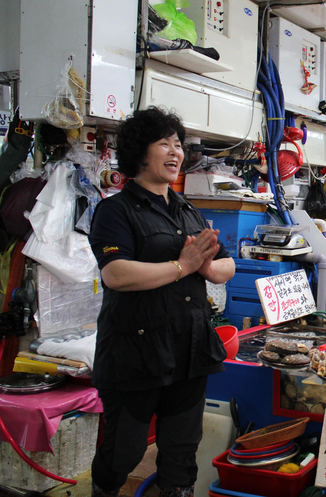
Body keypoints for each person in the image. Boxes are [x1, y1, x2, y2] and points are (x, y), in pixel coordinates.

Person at [88, 107, 236, 497]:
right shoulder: (114, 210)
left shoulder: (187, 210)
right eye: (163, 143)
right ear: (140, 153)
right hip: (134, 352)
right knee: (125, 451)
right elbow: (115, 274)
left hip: (189, 347)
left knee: (181, 452)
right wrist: (182, 264)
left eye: (177, 144)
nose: (174, 152)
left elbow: (228, 266)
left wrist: (204, 267)